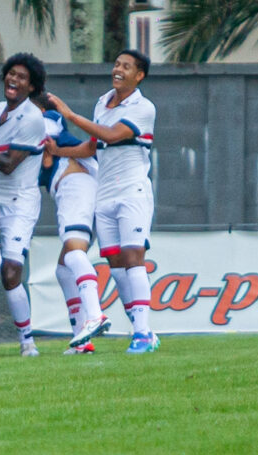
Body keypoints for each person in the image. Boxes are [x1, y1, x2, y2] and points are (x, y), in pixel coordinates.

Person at [46, 49, 160, 353]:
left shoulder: (143, 107)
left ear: (139, 76)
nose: (118, 69)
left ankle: (143, 333)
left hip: (133, 191)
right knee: (115, 263)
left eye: (126, 67)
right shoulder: (102, 102)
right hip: (105, 194)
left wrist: (70, 116)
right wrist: (60, 152)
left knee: (134, 256)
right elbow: (94, 146)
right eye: (117, 64)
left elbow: (111, 135)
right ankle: (140, 327)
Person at [0, 53, 50, 357]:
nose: (13, 79)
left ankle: (27, 341)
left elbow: (8, 165)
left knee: (10, 270)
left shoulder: (33, 117)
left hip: (19, 203)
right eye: (11, 73)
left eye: (22, 77)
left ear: (32, 85)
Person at [38, 106, 99, 355]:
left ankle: (94, 316)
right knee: (63, 270)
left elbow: (48, 138)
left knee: (74, 254)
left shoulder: (47, 118)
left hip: (75, 186)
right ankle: (81, 340)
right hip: (76, 188)